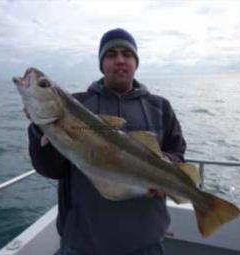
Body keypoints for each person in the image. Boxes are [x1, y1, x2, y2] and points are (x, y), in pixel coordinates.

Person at [27, 28, 186, 255]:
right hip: (84, 241)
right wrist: (38, 127)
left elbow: (177, 152)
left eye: (126, 54)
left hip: (146, 239)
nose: (120, 60)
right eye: (111, 54)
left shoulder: (160, 107)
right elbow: (51, 168)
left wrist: (164, 169)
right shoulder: (76, 104)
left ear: (136, 62)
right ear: (101, 64)